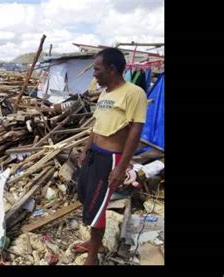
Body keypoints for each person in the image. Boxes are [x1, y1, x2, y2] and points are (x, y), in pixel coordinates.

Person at [75, 48, 148, 265]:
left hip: (111, 159)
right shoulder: (106, 93)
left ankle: (93, 257)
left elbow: (135, 131)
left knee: (98, 208)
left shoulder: (134, 93)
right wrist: (86, 149)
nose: (94, 73)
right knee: (88, 201)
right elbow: (97, 126)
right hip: (94, 155)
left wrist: (121, 167)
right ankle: (93, 242)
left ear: (112, 69)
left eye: (97, 69)